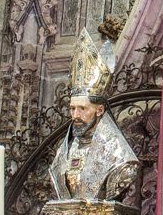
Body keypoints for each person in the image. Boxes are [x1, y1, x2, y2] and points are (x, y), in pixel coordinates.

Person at [48, 30, 140, 204]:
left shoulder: (120, 157)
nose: (76, 115)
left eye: (82, 108)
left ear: (99, 110)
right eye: (72, 109)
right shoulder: (63, 153)